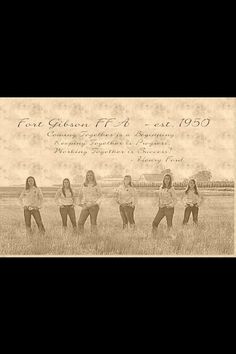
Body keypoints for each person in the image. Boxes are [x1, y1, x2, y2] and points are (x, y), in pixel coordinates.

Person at [77, 170, 102, 235]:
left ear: (93, 176)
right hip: (85, 205)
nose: (89, 176)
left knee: (93, 222)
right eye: (88, 175)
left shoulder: (96, 185)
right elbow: (80, 195)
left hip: (94, 206)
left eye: (91, 175)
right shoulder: (83, 185)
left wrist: (95, 203)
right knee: (80, 222)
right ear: (86, 176)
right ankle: (81, 236)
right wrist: (80, 204)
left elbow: (100, 196)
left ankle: (94, 237)